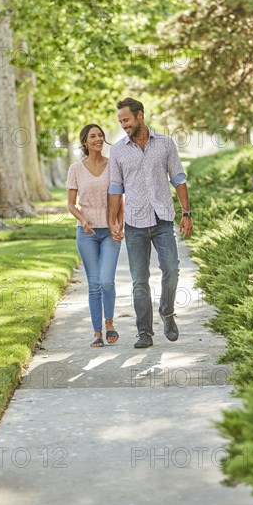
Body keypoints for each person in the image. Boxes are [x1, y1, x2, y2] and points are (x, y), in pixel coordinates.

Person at [107, 98, 193, 349]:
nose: (123, 125)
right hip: (134, 222)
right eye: (120, 121)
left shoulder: (165, 143)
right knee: (139, 280)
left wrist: (186, 214)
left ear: (140, 116)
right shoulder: (118, 150)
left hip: (163, 219)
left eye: (126, 120)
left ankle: (167, 312)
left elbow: (178, 179)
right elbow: (115, 188)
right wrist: (113, 220)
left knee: (172, 269)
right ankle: (144, 332)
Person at [67, 124, 123, 347]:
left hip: (110, 231)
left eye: (100, 135)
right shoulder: (76, 169)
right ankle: (97, 331)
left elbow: (119, 199)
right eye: (93, 136)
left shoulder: (114, 166)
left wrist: (119, 223)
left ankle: (110, 322)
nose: (99, 139)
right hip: (87, 233)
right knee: (94, 284)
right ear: (85, 142)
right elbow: (71, 205)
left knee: (107, 281)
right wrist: (83, 220)